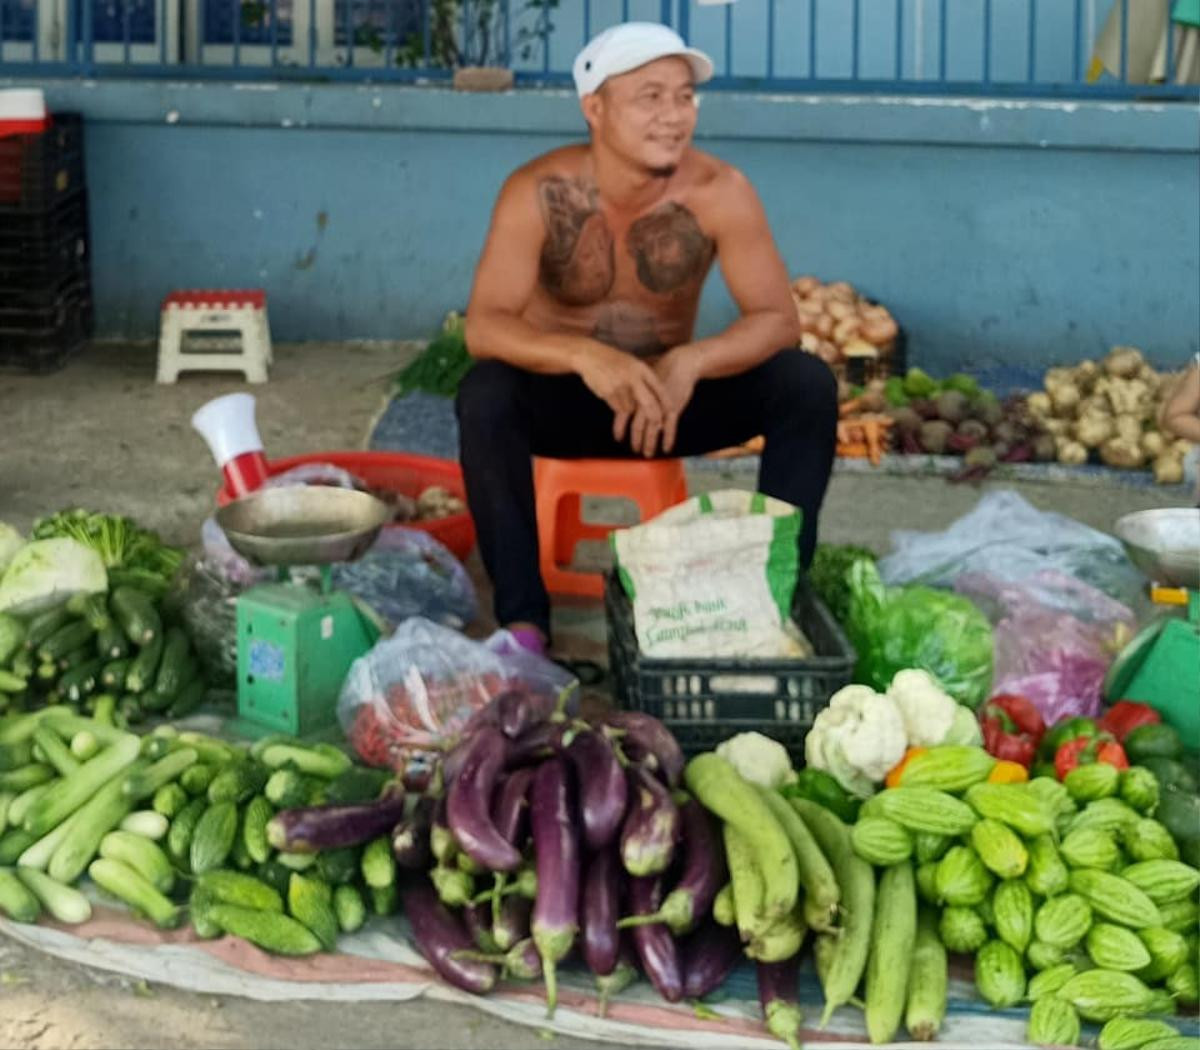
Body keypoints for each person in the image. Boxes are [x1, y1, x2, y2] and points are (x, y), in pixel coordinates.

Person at [456, 21, 838, 653]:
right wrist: (582, 354)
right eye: (650, 97)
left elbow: (777, 319)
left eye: (684, 96)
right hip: (569, 403)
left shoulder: (722, 192)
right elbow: (485, 324)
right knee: (486, 393)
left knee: (805, 383)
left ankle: (774, 598)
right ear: (595, 109)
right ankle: (524, 627)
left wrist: (693, 360)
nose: (673, 116)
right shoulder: (537, 191)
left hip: (669, 405)